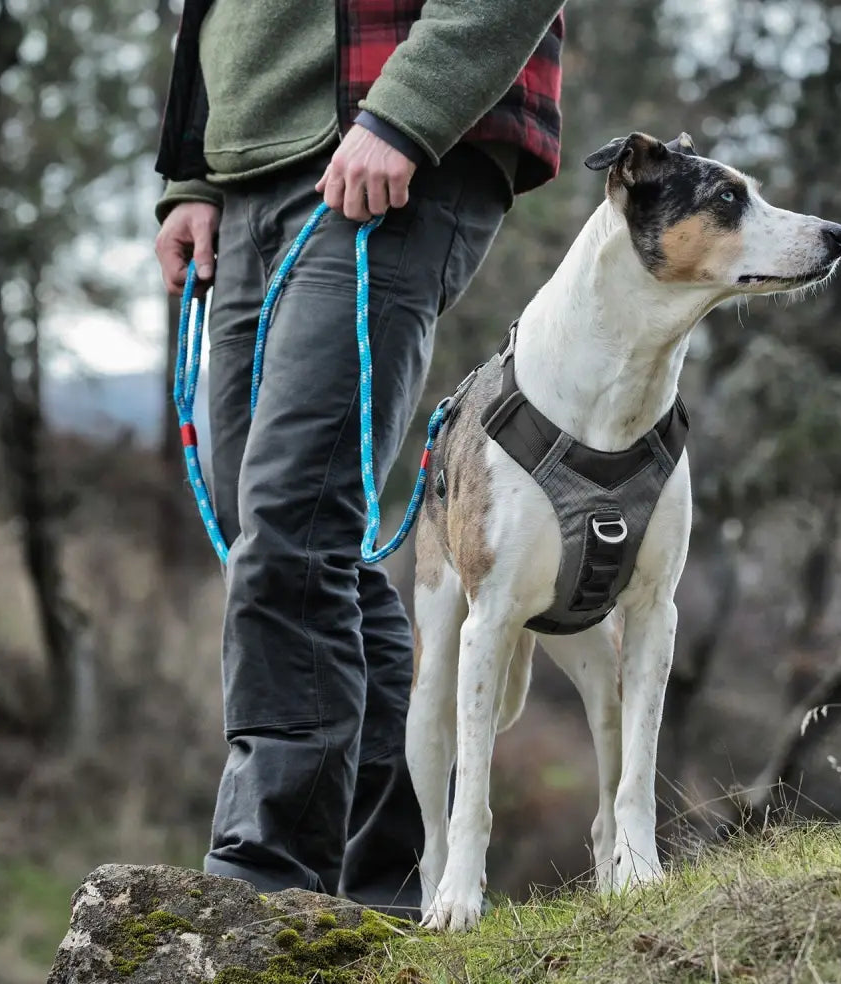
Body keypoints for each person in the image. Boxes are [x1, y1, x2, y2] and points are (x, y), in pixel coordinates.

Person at [152, 1, 565, 916]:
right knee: (274, 532)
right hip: (246, 178)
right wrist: (190, 174)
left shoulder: (399, 126)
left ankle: (262, 881)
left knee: (293, 523)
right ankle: (393, 883)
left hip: (385, 148)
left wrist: (403, 114)